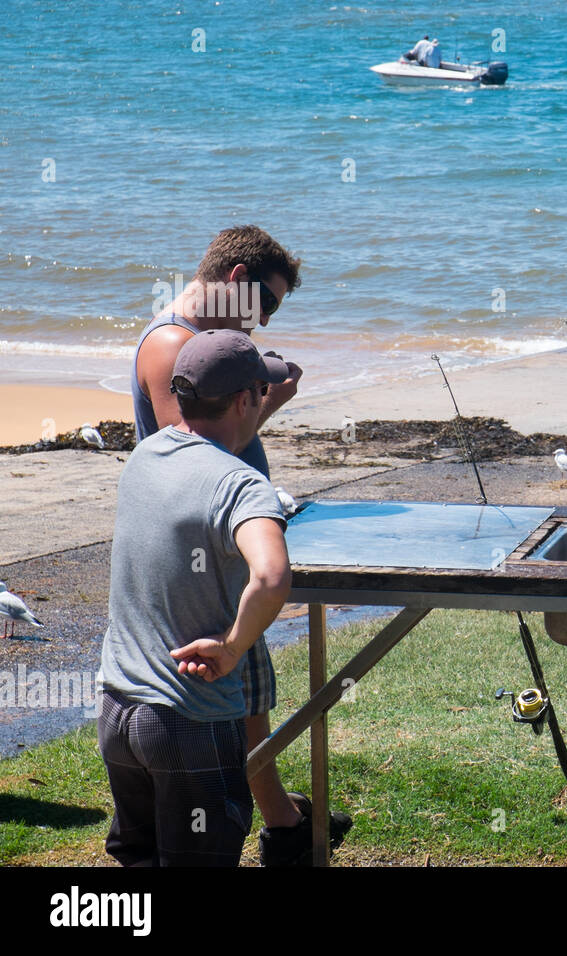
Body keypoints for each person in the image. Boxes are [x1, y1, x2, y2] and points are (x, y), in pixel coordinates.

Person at [135, 225, 350, 865]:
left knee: (249, 691)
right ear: (236, 283)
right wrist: (266, 403)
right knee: (233, 690)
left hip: (223, 531)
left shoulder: (202, 343)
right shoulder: (172, 344)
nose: (266, 320)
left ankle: (282, 819)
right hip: (206, 540)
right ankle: (272, 829)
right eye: (270, 305)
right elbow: (197, 448)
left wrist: (259, 396)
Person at [99, 330, 292, 865]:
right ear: (243, 399)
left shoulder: (144, 457)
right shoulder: (240, 484)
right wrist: (232, 648)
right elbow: (273, 576)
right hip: (189, 720)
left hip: (117, 710)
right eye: (262, 392)